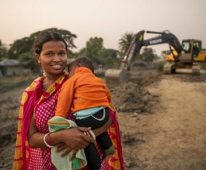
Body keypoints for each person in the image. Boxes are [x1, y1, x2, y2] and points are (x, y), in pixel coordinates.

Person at [13, 31, 124, 170]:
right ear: (38, 57)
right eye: (49, 54)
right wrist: (61, 137)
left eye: (61, 53)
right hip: (51, 164)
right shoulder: (32, 94)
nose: (57, 59)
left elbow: (108, 117)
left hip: (89, 163)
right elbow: (32, 139)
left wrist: (84, 137)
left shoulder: (81, 82)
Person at [48, 56, 115, 170]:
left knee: (83, 137)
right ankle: (108, 148)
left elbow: (65, 99)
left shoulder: (73, 80)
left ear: (78, 67)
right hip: (104, 114)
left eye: (70, 71)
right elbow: (108, 97)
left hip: (85, 119)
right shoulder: (98, 80)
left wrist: (60, 119)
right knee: (95, 127)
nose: (68, 74)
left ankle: (95, 166)